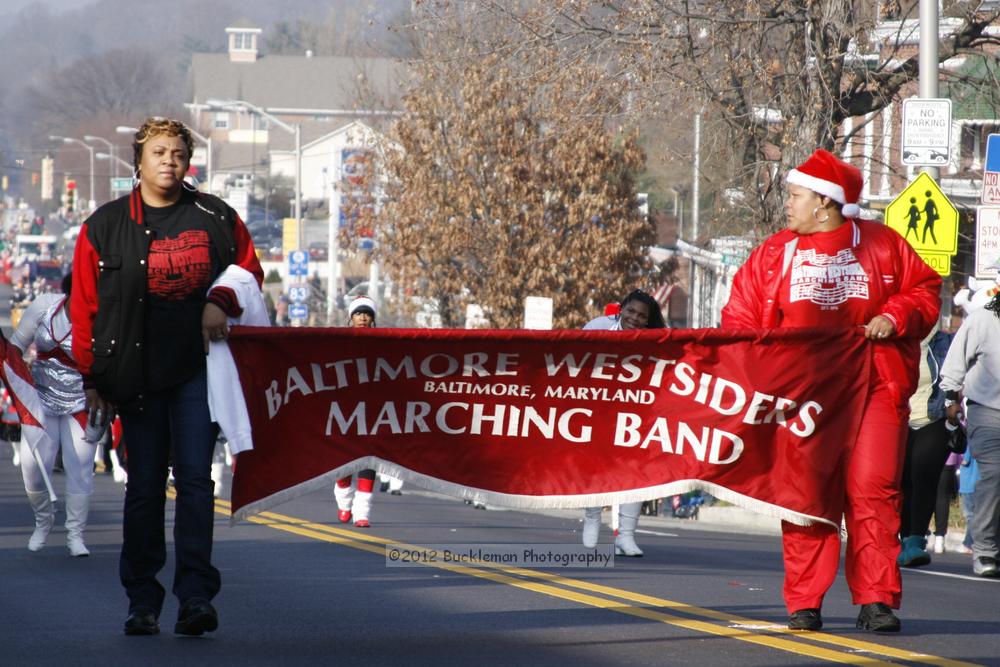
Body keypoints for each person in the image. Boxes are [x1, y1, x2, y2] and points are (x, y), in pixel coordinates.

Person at [721, 149, 940, 632]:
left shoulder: (882, 244)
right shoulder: (774, 254)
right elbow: (739, 317)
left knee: (874, 492)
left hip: (874, 390)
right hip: (804, 398)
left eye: (795, 196)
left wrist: (893, 316)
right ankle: (804, 602)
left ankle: (876, 599)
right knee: (805, 497)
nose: (787, 205)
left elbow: (924, 293)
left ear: (825, 201)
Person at [70, 117, 263, 636]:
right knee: (145, 487)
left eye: (177, 153)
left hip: (200, 370)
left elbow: (248, 270)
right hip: (134, 373)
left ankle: (196, 595)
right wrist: (91, 378)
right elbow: (84, 305)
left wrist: (219, 301)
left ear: (188, 161)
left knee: (197, 482)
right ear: (139, 160)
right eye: (158, 153)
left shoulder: (215, 216)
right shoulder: (104, 225)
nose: (169, 162)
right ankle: (142, 600)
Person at [11, 274, 97, 556]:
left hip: (82, 402)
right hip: (41, 401)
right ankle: (43, 520)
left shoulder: (103, 317)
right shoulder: (44, 306)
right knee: (31, 467)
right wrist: (11, 367)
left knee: (81, 467)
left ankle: (75, 535)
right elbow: (15, 346)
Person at [580, 289, 667, 557]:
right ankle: (592, 518)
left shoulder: (657, 340)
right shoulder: (597, 328)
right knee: (595, 467)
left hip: (635, 413)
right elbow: (574, 362)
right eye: (631, 311)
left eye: (642, 316)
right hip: (597, 409)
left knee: (636, 470)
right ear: (621, 310)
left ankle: (626, 537)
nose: (635, 318)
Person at [939, 292, 1000, 578]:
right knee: (995, 474)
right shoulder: (982, 319)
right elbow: (956, 360)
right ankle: (986, 550)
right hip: (988, 411)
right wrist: (951, 398)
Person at [897, 326, 954, 567]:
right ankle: (900, 538)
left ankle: (916, 541)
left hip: (934, 418)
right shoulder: (894, 340)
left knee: (925, 478)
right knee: (901, 480)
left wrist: (953, 402)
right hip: (897, 419)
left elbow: (958, 372)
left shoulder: (945, 342)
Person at [333, 296, 380, 527]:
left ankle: (362, 513)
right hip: (344, 408)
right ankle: (344, 503)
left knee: (369, 460)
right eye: (358, 313)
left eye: (367, 313)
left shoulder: (386, 342)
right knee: (344, 463)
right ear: (350, 317)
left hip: (375, 409)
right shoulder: (338, 341)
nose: (362, 317)